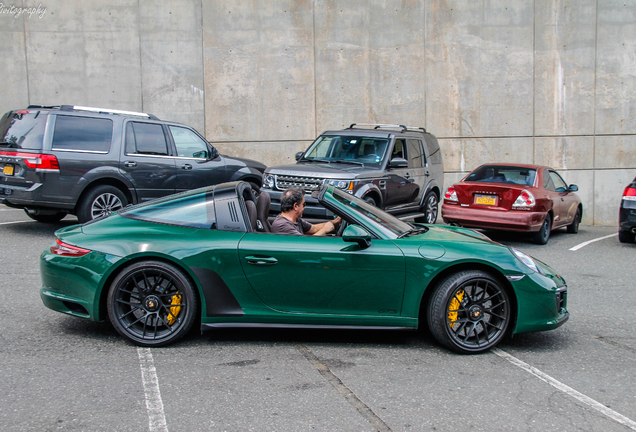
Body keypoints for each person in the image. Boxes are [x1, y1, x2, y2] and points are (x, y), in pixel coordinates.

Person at [271, 188, 341, 236]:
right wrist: (324, 230)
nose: (304, 208)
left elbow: (314, 228)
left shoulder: (296, 220)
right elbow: (305, 243)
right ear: (295, 206)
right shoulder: (282, 225)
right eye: (303, 205)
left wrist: (335, 221)